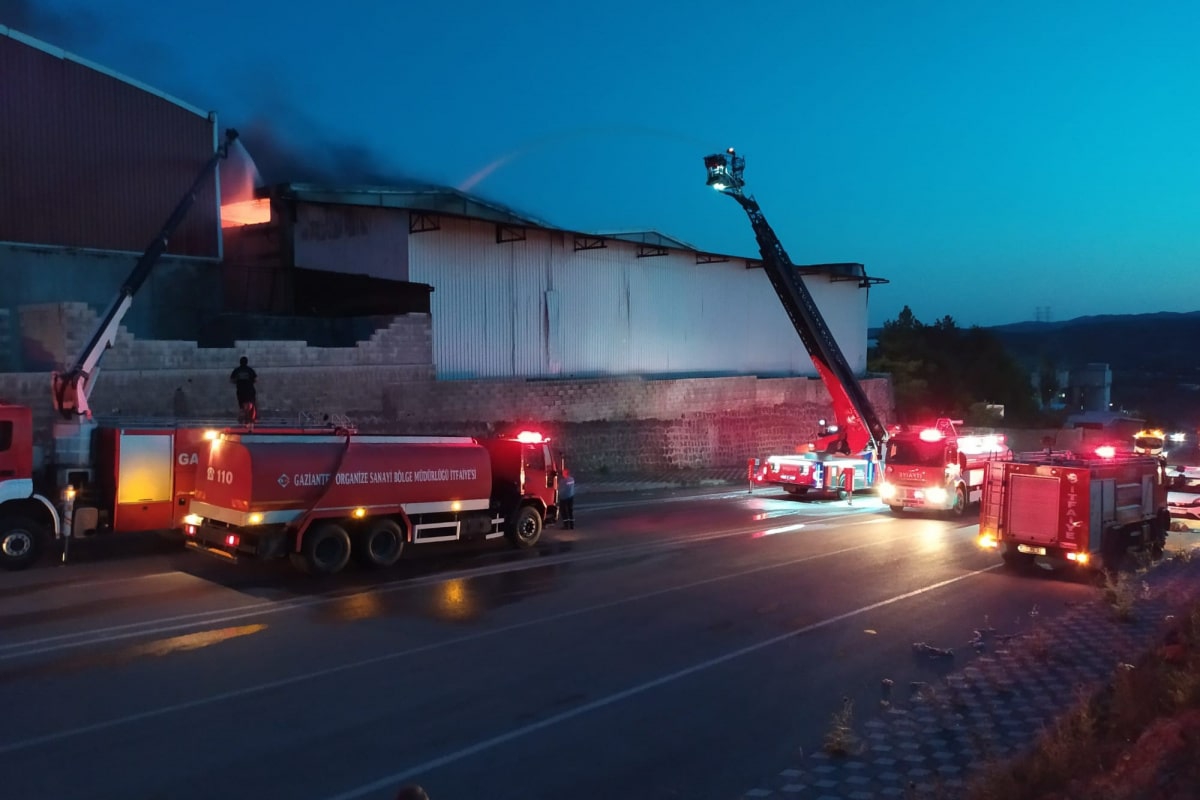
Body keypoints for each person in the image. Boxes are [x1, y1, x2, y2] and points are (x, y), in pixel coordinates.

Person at [230, 356, 258, 425]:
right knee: (251, 405)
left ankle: (242, 417)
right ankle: (249, 419)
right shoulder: (250, 370)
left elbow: (231, 380)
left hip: (240, 390)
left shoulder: (237, 370)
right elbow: (256, 380)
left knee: (242, 405)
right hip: (249, 390)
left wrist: (238, 382)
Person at [558, 463, 576, 529]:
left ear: (566, 473)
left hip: (564, 498)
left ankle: (566, 526)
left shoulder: (563, 481)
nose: (562, 474)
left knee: (564, 511)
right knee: (570, 511)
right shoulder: (572, 479)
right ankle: (572, 525)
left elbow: (560, 489)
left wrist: (559, 494)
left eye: (563, 472)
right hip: (571, 497)